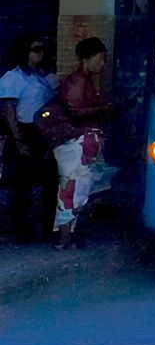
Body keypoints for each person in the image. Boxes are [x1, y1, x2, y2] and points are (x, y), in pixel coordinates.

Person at [39, 37, 115, 250]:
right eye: (101, 59)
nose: (102, 64)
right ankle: (64, 239)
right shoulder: (76, 81)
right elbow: (74, 109)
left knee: (77, 189)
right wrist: (104, 109)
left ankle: (68, 236)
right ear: (88, 58)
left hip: (82, 143)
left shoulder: (85, 80)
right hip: (74, 144)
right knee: (72, 189)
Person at [0, 35, 57, 242]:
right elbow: (9, 112)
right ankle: (21, 230)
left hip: (42, 133)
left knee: (49, 182)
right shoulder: (12, 78)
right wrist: (19, 141)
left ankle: (47, 227)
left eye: (42, 49)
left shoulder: (40, 76)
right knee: (20, 186)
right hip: (24, 133)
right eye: (35, 50)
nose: (40, 53)